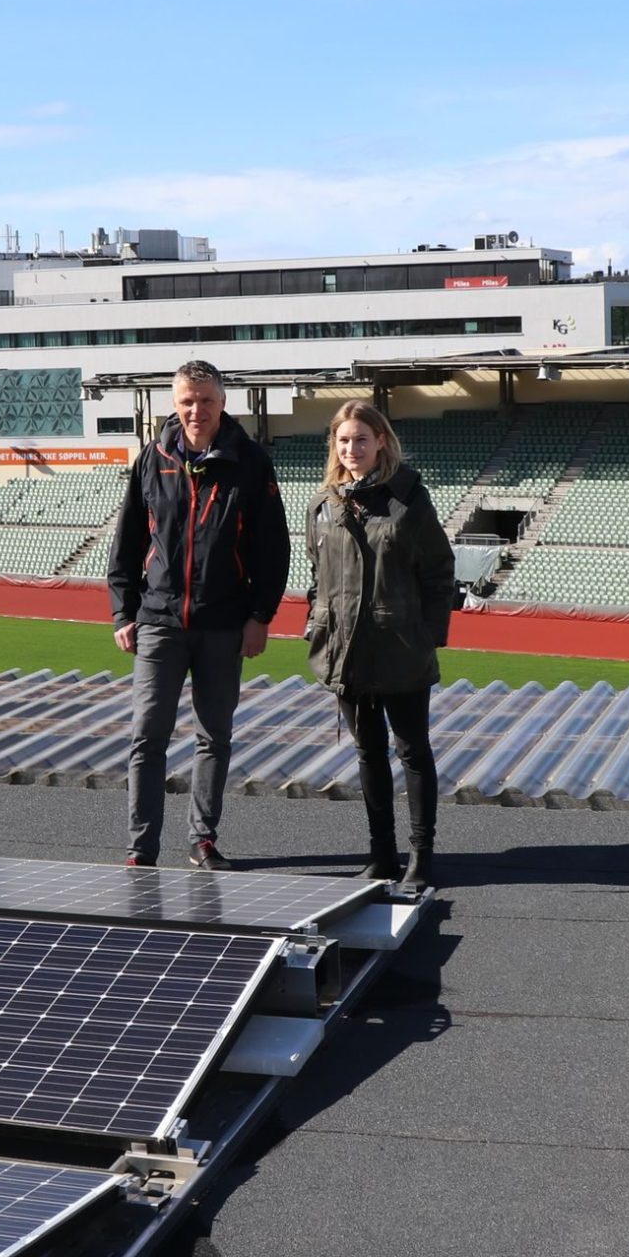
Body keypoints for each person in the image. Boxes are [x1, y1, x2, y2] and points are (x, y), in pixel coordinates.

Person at [109, 359, 290, 871]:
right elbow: (126, 543)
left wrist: (260, 616)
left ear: (222, 402)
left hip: (223, 623)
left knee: (214, 736)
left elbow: (272, 551)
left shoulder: (251, 462)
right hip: (159, 621)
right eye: (188, 400)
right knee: (148, 735)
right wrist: (124, 611)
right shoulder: (151, 459)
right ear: (175, 403)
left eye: (206, 400)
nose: (196, 410)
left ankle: (202, 840)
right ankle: (141, 848)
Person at [304, 402, 454, 887]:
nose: (352, 449)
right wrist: (316, 623)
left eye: (362, 440)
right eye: (344, 441)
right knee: (368, 753)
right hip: (345, 650)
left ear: (381, 441)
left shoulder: (409, 500)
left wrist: (427, 637)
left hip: (400, 648)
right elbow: (316, 576)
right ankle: (382, 854)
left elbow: (438, 572)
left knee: (412, 752)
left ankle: (422, 857)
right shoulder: (323, 504)